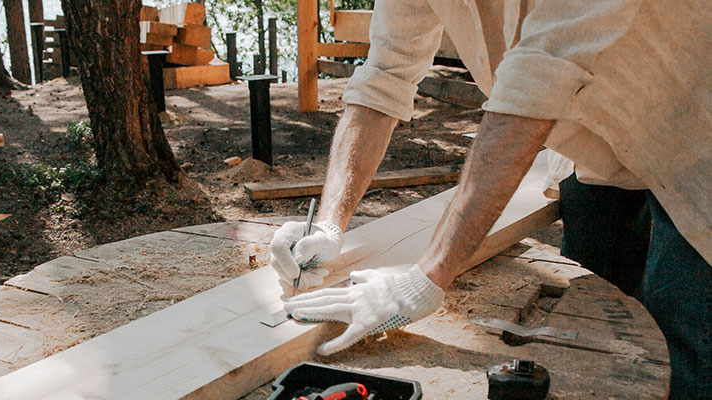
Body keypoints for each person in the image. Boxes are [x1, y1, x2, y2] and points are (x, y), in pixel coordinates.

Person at [268, 1, 710, 397]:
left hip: (697, 134)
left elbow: (539, 75)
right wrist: (330, 221)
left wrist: (424, 280)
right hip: (594, 140)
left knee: (686, 328)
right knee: (590, 326)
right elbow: (383, 76)